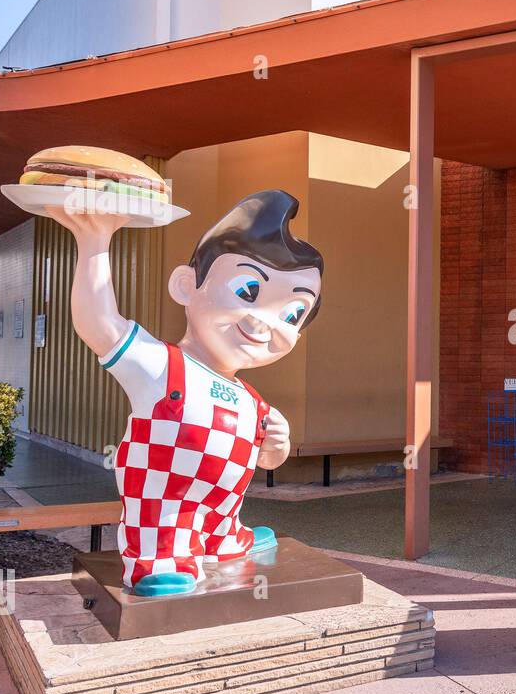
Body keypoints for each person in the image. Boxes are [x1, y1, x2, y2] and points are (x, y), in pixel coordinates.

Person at [49, 189, 323, 596]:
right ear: (185, 286)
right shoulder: (162, 365)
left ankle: (223, 540)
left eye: (292, 314)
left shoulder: (250, 397)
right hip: (164, 500)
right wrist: (94, 241)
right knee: (162, 520)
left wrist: (277, 445)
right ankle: (159, 559)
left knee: (224, 519)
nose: (264, 322)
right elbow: (99, 323)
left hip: (223, 509)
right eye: (248, 290)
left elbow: (266, 457)